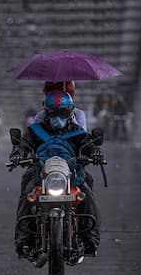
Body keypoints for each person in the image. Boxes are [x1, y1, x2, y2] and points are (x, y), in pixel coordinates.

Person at [10, 91, 104, 259]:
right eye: (54, 112)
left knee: (87, 193)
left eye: (63, 112)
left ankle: (91, 239)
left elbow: (88, 145)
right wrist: (18, 153)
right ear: (46, 111)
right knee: (27, 194)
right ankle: (23, 240)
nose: (58, 117)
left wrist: (95, 152)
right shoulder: (35, 131)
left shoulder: (77, 132)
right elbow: (24, 145)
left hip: (72, 174)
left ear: (71, 112)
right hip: (41, 173)